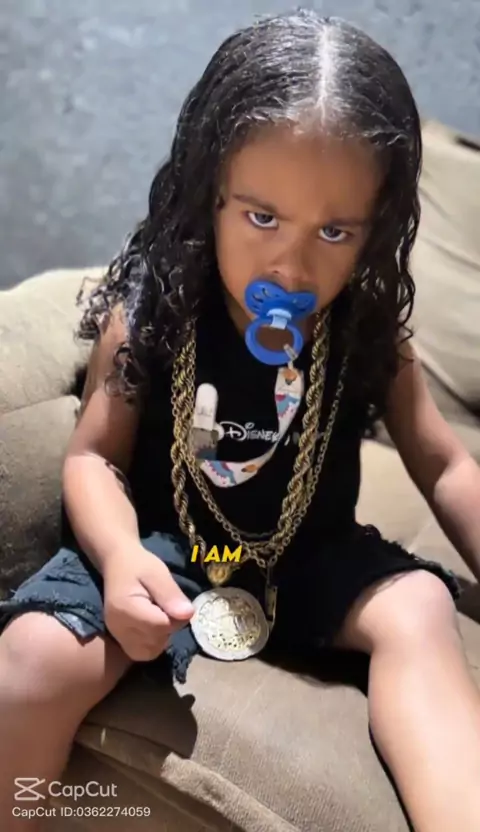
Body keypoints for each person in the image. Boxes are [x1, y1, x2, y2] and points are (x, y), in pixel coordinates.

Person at [1, 9, 480, 831]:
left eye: (334, 232)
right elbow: (93, 459)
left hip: (311, 556)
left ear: (376, 232)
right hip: (170, 552)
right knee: (35, 659)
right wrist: (119, 558)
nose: (291, 265)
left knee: (421, 612)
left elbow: (445, 464)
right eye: (262, 218)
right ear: (209, 192)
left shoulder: (366, 329)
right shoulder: (152, 311)